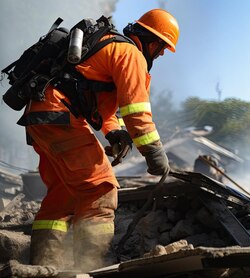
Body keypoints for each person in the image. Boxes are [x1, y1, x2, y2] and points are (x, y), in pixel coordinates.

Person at [20, 9, 179, 271]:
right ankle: (88, 269)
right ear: (153, 42)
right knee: (100, 190)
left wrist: (114, 132)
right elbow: (137, 112)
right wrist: (154, 154)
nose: (161, 55)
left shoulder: (109, 45)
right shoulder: (131, 55)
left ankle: (43, 267)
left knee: (63, 193)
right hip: (61, 117)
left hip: (41, 115)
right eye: (162, 48)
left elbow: (103, 107)